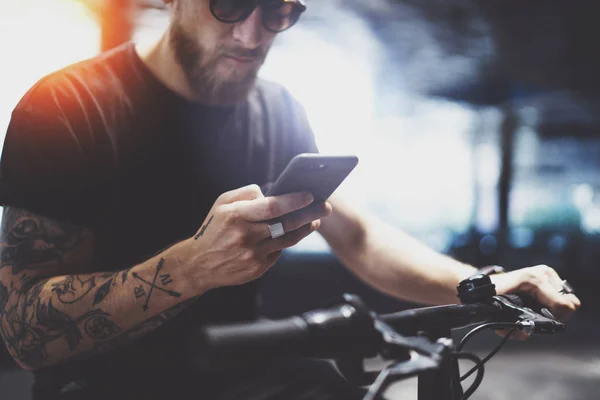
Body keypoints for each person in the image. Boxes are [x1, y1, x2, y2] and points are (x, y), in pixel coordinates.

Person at [0, 0, 580, 399]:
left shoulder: (277, 111)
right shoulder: (68, 106)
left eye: (278, 10)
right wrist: (191, 267)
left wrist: (481, 285)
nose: (253, 35)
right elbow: (24, 333)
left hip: (245, 371)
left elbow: (359, 234)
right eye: (228, 3)